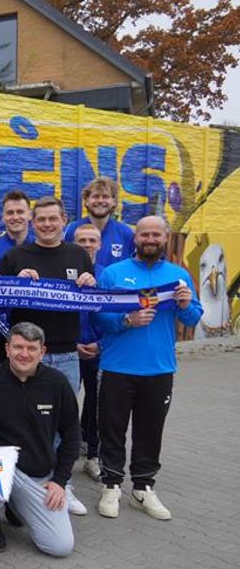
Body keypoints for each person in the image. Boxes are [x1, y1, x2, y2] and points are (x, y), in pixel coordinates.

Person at [93, 216, 202, 521]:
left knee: (150, 432)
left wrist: (184, 305)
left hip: (159, 369)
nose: (150, 239)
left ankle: (143, 488)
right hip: (117, 367)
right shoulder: (114, 274)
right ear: (135, 238)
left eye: (156, 234)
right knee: (111, 430)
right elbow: (98, 318)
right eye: (144, 234)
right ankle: (111, 484)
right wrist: (127, 321)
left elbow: (193, 319)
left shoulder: (178, 276)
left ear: (165, 237)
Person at [0, 195, 96, 515]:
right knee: (22, 421)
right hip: (24, 355)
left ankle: (62, 485)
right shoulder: (14, 256)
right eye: (41, 219)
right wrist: (14, 283)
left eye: (53, 219)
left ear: (64, 221)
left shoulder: (79, 255)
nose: (47, 224)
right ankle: (23, 486)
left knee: (63, 425)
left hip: (66, 353)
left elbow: (90, 302)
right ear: (32, 222)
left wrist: (89, 283)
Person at [0, 322, 79, 557]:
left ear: (42, 351)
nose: (24, 354)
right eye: (18, 347)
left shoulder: (57, 383)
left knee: (60, 546)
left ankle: (15, 505)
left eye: (32, 348)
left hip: (38, 474)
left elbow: (72, 434)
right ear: (7, 348)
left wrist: (60, 481)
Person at [0, 190, 33, 366]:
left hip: (34, 337)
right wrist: (7, 332)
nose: (15, 217)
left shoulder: (40, 246)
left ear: (29, 215)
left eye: (20, 212)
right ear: (2, 217)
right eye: (10, 212)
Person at [72, 223, 105, 479]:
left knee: (97, 407)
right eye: (81, 240)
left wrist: (100, 344)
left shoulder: (108, 275)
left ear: (100, 244)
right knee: (64, 405)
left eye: (92, 240)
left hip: (98, 352)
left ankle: (94, 455)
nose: (86, 244)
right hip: (68, 351)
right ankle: (63, 453)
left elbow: (116, 315)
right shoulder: (63, 273)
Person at [64, 177, 134, 268]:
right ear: (86, 201)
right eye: (96, 196)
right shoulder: (72, 230)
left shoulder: (126, 233)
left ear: (114, 201)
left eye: (105, 197)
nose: (100, 201)